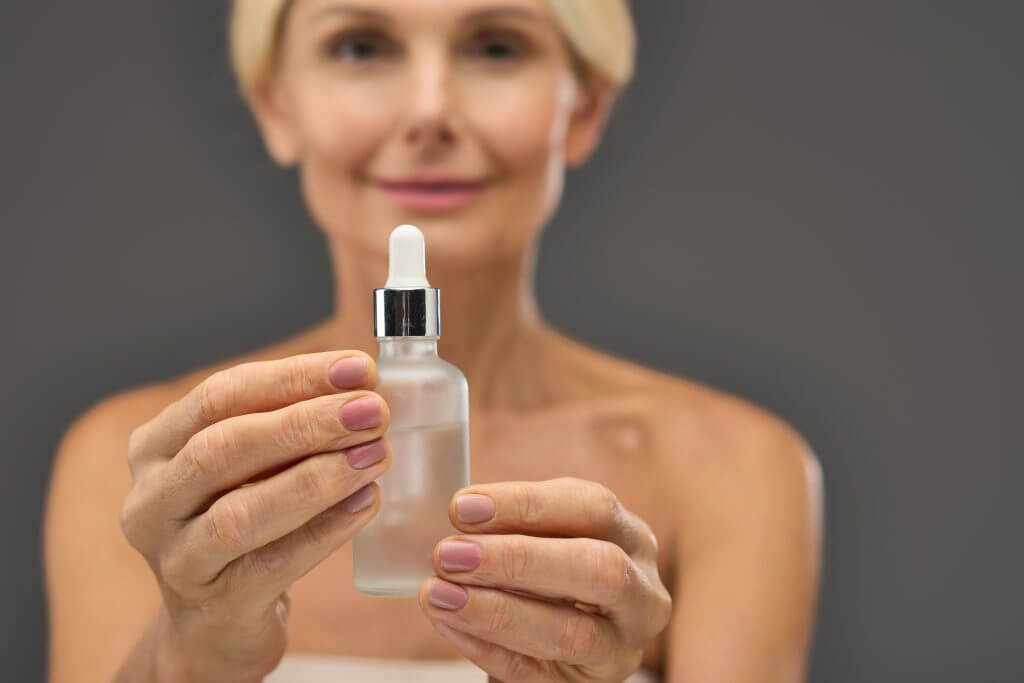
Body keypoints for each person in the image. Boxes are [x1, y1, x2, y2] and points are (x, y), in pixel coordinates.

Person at [43, 1, 824, 681]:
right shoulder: (155, 467)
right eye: (360, 46)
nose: (429, 111)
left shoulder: (731, 467)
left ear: (584, 106)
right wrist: (194, 655)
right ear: (277, 104)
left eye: (495, 47)